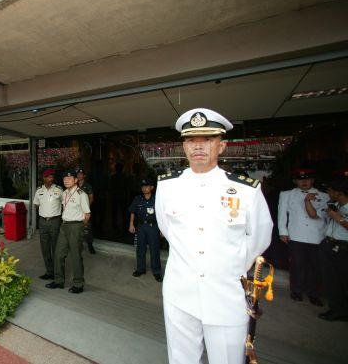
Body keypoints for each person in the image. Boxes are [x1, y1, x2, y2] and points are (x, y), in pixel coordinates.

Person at [155, 108, 273, 364]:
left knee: (228, 359)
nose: (198, 146)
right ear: (184, 146)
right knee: (181, 359)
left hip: (225, 294)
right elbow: (167, 229)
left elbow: (260, 237)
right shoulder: (166, 186)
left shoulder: (245, 190)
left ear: (221, 146)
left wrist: (228, 268)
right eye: (191, 140)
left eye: (207, 139)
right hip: (179, 292)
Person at [277, 168, 329, 306]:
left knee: (315, 266)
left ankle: (313, 293)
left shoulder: (324, 196)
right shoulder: (287, 194)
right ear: (295, 181)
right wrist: (283, 231)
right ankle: (296, 290)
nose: (304, 182)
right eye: (301, 179)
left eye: (307, 179)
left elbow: (324, 217)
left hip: (317, 235)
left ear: (312, 180)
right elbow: (282, 214)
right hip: (296, 235)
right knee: (297, 265)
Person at [46, 170, 91, 294]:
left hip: (76, 226)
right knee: (58, 253)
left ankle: (78, 284)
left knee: (75, 255)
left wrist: (81, 228)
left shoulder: (82, 194)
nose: (66, 180)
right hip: (64, 225)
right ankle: (59, 281)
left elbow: (87, 215)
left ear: (76, 180)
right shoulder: (64, 193)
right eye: (65, 178)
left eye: (70, 179)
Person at [318, 178, 348, 321]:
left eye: (330, 190)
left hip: (343, 248)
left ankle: (341, 311)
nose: (328, 193)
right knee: (331, 280)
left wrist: (339, 219)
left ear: (339, 193)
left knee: (341, 281)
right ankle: (336, 309)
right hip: (330, 244)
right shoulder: (335, 205)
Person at [128, 179, 162, 282]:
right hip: (141, 227)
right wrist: (131, 224)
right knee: (140, 249)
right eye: (143, 186)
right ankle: (140, 269)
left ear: (152, 187)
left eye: (147, 186)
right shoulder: (138, 199)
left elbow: (162, 214)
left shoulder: (157, 199)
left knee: (154, 249)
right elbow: (133, 212)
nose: (144, 188)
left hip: (153, 227)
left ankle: (156, 271)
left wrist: (162, 229)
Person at [33, 168, 63, 280]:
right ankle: (49, 271)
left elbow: (64, 203)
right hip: (43, 222)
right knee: (45, 248)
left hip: (55, 221)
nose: (51, 179)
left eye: (52, 176)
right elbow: (36, 205)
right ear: (44, 178)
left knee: (56, 247)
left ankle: (57, 273)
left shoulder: (59, 190)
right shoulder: (39, 191)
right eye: (49, 177)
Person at [76, 168, 96, 254]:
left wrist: (86, 208)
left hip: (85, 211)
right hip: (76, 211)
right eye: (78, 174)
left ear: (84, 176)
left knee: (87, 228)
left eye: (81, 174)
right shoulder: (74, 185)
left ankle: (90, 245)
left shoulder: (88, 186)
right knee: (76, 227)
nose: (80, 176)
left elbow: (91, 198)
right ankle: (77, 245)